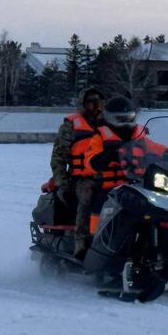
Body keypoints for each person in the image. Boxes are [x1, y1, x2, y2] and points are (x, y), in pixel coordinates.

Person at [85, 96, 168, 229]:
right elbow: (90, 162)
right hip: (112, 187)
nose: (125, 122)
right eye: (120, 118)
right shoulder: (100, 136)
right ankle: (96, 236)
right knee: (101, 204)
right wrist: (105, 156)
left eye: (128, 117)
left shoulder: (139, 136)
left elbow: (156, 148)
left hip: (139, 185)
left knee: (159, 205)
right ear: (110, 118)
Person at [49, 87, 105, 259]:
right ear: (83, 104)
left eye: (98, 102)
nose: (95, 107)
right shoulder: (71, 125)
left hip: (110, 175)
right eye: (91, 103)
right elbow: (58, 156)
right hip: (82, 178)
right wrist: (62, 183)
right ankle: (81, 243)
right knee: (88, 198)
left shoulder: (109, 124)